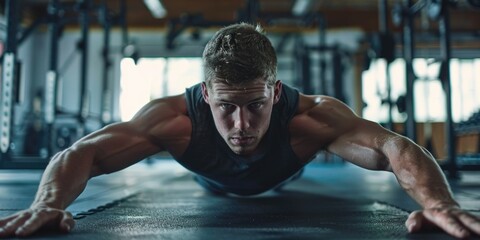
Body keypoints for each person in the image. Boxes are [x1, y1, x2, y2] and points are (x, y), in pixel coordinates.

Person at [0, 23, 479, 238]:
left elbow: (394, 146)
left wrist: (438, 204)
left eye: (255, 105)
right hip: (209, 180)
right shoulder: (172, 119)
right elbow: (84, 151)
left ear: (274, 90)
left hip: (284, 173)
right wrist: (47, 205)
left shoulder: (311, 117)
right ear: (206, 95)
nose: (242, 124)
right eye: (227, 107)